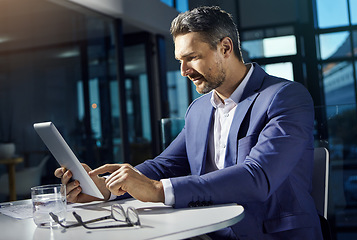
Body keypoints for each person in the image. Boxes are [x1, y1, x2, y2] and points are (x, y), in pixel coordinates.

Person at [55, 6, 323, 239]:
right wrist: (109, 188)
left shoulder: (285, 97)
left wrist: (158, 190)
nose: (184, 71)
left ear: (225, 47)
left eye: (192, 57)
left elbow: (258, 177)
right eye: (180, 61)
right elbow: (167, 164)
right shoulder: (199, 109)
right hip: (209, 231)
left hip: (270, 235)